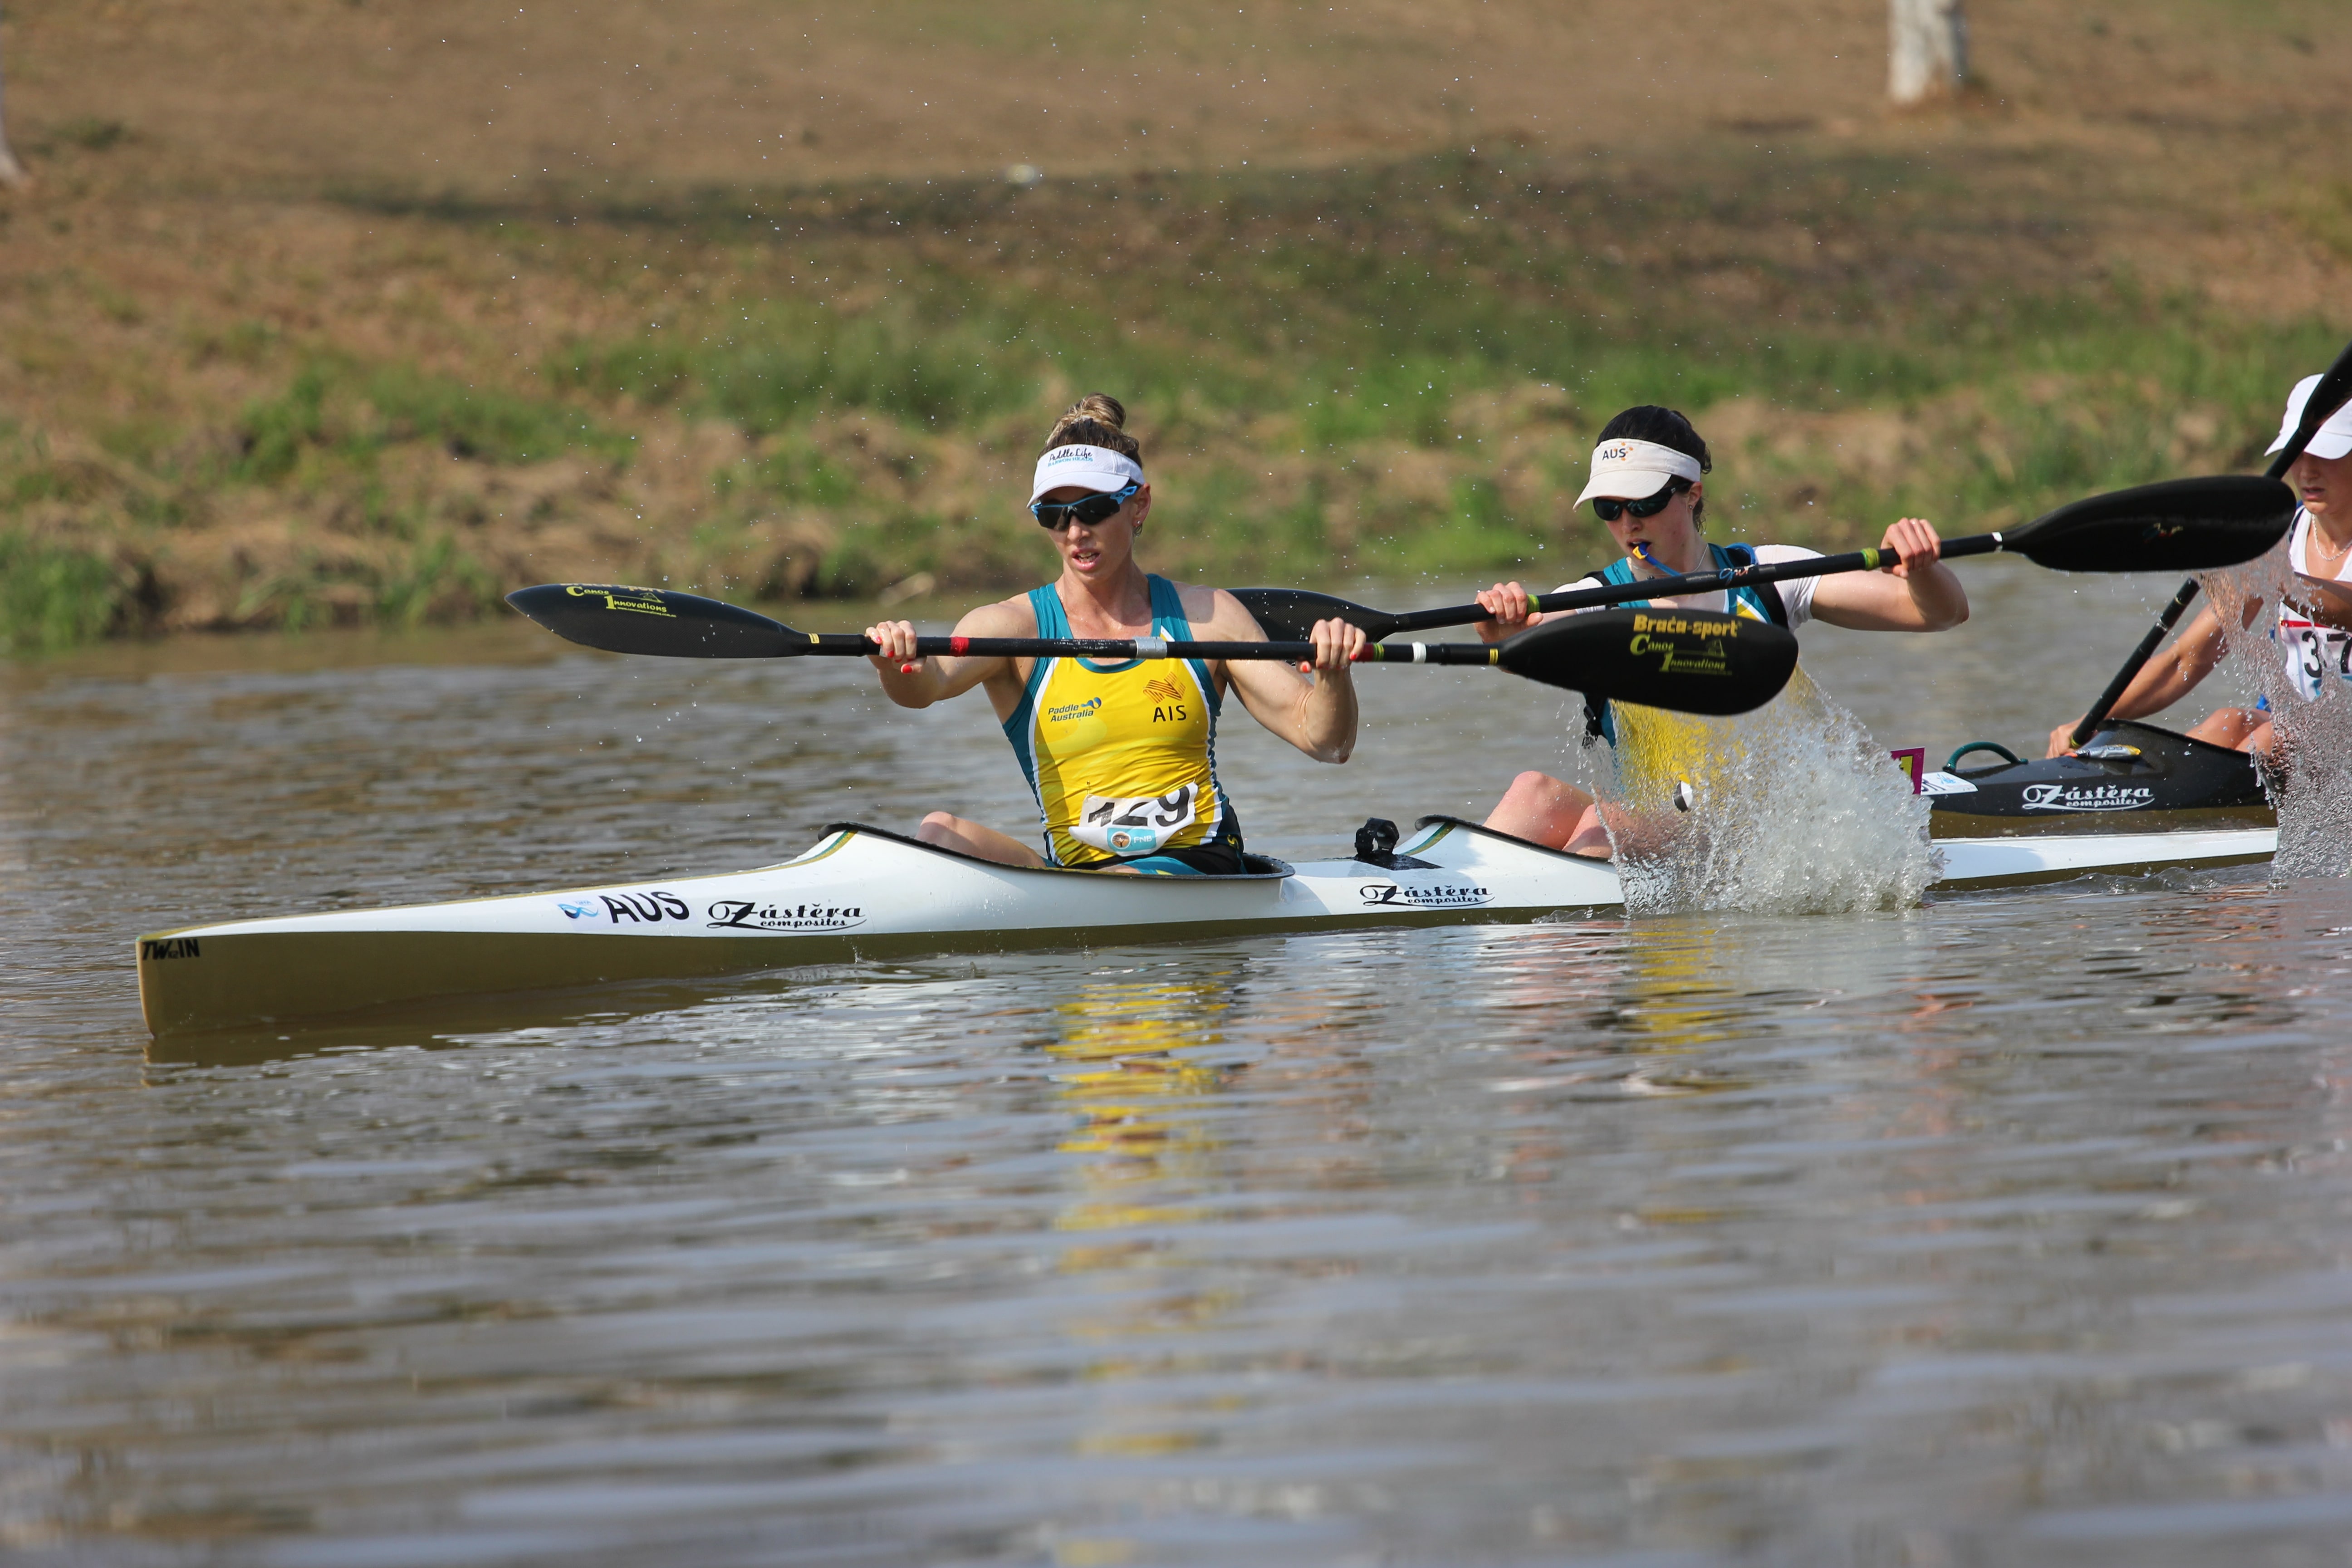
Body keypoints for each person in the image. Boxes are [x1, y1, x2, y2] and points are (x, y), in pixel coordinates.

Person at [863, 394, 1367, 873]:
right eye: (1054, 515)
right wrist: (897, 661)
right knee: (938, 832)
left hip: (1196, 863)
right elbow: (925, 687)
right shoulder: (1012, 627)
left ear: (1139, 505)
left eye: (1094, 509)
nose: (1075, 531)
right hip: (1083, 877)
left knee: (1126, 885)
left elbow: (1326, 740)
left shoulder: (1206, 617)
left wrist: (1333, 676)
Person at [1469, 404, 1970, 855]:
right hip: (1658, 825)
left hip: (1768, 833)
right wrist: (1500, 627)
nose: (1627, 524)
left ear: (1692, 494)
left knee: (1605, 822)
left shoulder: (1771, 577)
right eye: (1609, 508)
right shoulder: (1591, 598)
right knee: (1532, 791)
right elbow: (1520, 641)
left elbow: (1938, 613)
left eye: (1642, 503)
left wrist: (1922, 567)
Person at [2045, 373, 2352, 759]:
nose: (2307, 471)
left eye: (2326, 454)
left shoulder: (2273, 567)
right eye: (2298, 454)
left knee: (2272, 740)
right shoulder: (2282, 539)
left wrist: (2276, 580)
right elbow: (2186, 660)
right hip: (2288, 730)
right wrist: (2093, 720)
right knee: (2227, 723)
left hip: (2325, 740)